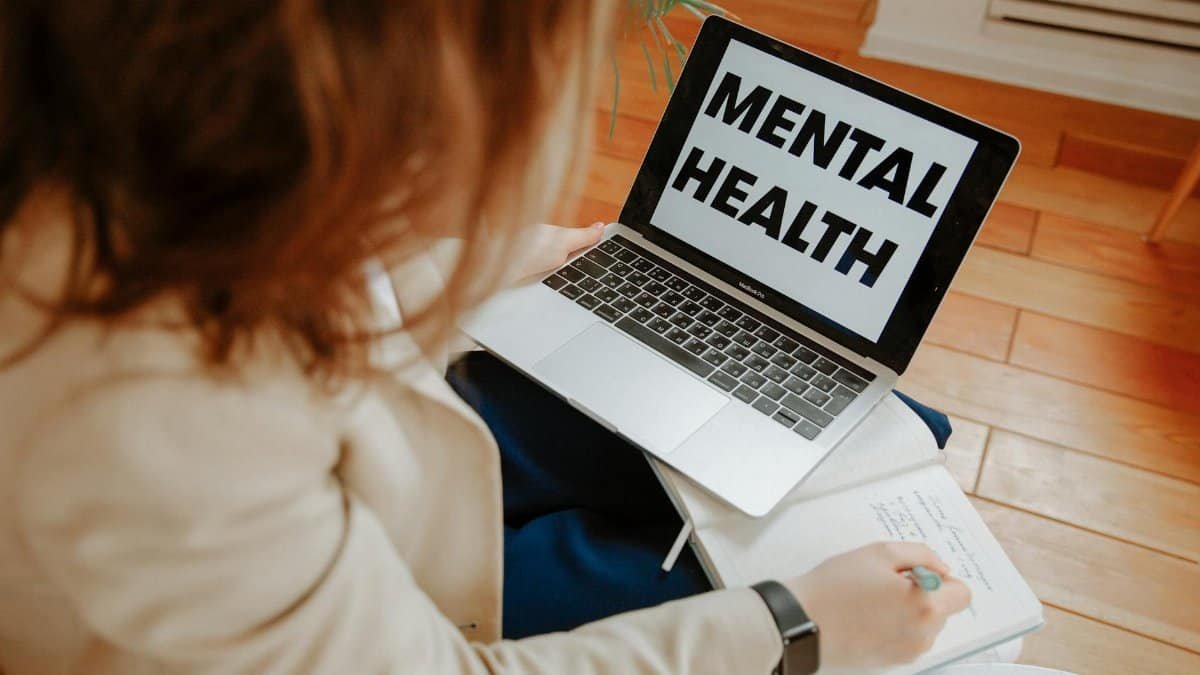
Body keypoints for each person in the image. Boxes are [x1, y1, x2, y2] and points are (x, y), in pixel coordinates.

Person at [0, 2, 971, 674]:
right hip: (346, 569)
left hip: (377, 435)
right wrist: (796, 628)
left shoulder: (126, 129)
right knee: (769, 559)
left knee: (894, 426)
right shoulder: (153, 418)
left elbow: (295, 250)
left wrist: (513, 253)